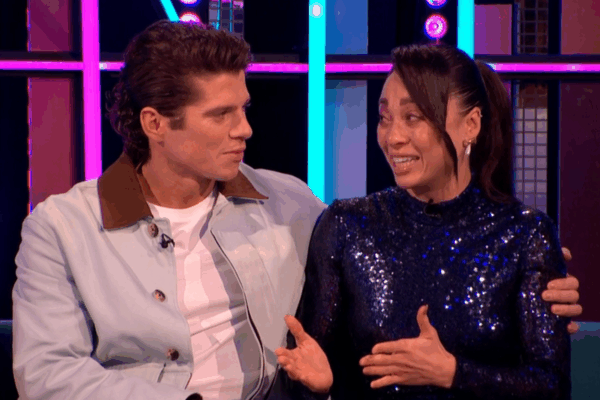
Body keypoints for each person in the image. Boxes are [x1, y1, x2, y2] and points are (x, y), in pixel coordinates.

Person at [11, 21, 580, 400]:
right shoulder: (61, 229)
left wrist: (528, 280)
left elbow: (407, 248)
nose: (246, 129)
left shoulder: (288, 205)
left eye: (244, 108)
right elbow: (47, 375)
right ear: (155, 124)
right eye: (221, 115)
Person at [276, 44, 576, 400]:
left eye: (413, 117)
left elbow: (552, 386)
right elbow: (309, 368)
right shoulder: (347, 226)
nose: (393, 137)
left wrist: (452, 373)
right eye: (384, 117)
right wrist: (320, 388)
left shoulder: (524, 234)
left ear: (471, 125)